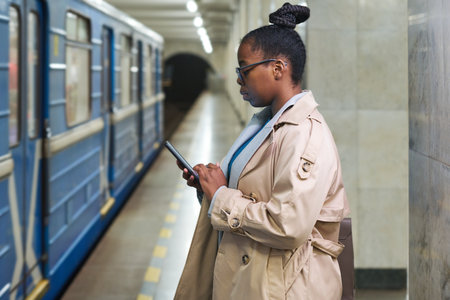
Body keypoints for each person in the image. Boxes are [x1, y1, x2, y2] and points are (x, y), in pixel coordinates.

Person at [174, 3, 350, 300]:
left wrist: (221, 196)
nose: (239, 80)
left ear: (278, 68)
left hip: (284, 288)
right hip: (254, 278)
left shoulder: (304, 135)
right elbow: (255, 193)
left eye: (244, 69)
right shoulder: (265, 124)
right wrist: (209, 186)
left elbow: (288, 225)